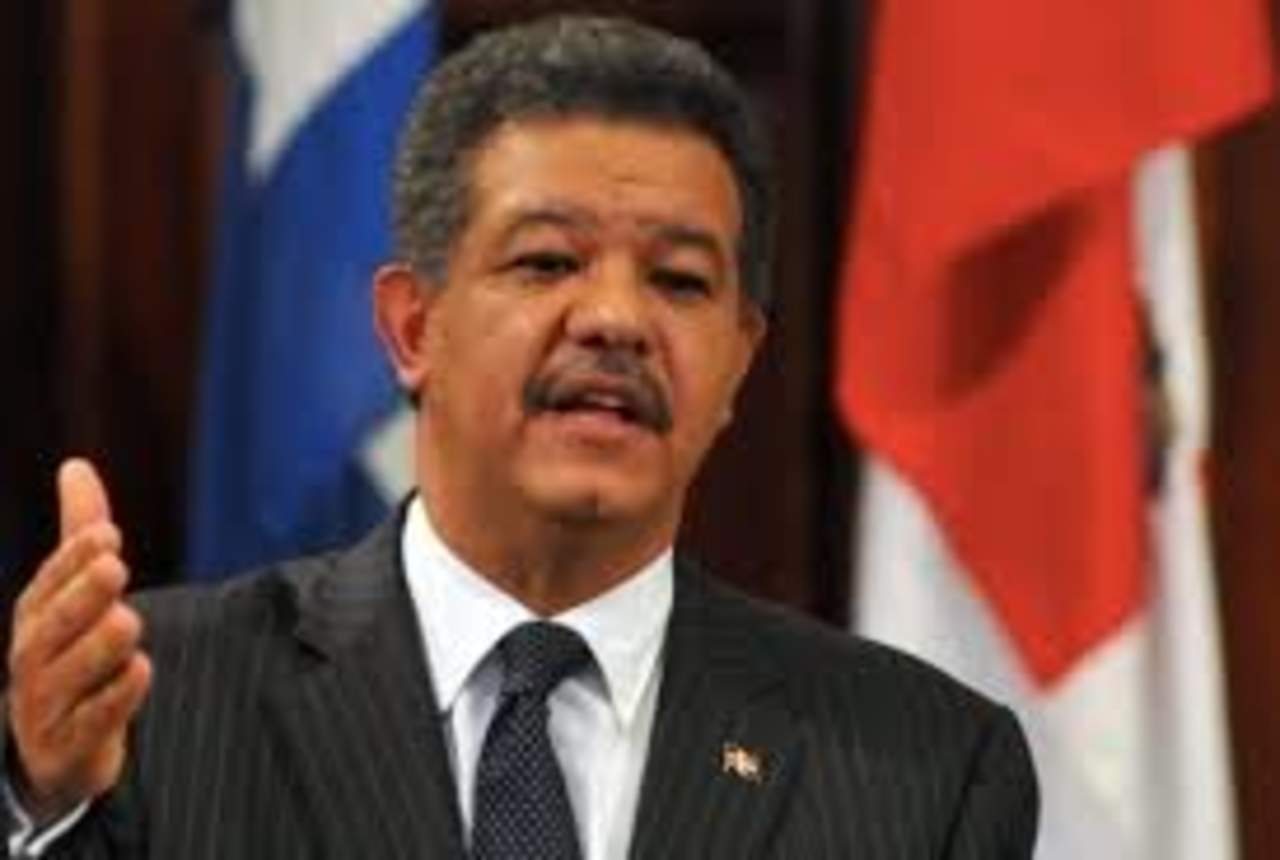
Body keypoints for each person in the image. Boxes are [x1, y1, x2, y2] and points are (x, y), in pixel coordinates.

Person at [3, 15, 1038, 859]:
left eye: (679, 280)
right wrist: (40, 803)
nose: (616, 319)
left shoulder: (922, 767)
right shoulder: (151, 708)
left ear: (737, 363)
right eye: (546, 262)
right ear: (412, 329)